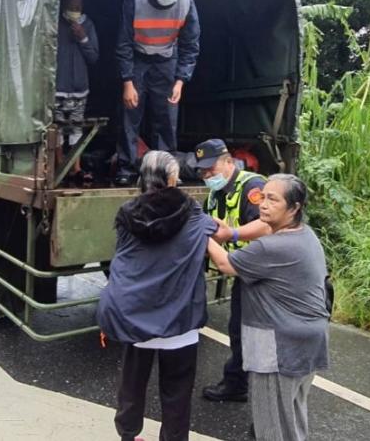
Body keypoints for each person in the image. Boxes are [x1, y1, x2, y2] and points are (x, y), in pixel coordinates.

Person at [97, 150, 218, 441]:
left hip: (136, 318)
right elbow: (216, 234)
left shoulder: (128, 214)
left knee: (132, 384)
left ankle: (128, 435)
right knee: (177, 391)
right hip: (180, 321)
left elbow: (123, 266)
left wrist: (110, 314)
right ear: (173, 179)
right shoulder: (194, 213)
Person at [206, 174, 330, 441]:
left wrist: (202, 233)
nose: (263, 204)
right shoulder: (303, 234)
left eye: (273, 199)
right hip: (306, 341)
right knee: (291, 417)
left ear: (294, 208)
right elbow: (264, 227)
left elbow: (226, 264)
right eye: (263, 197)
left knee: (271, 425)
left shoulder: (272, 248)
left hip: (279, 348)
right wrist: (232, 232)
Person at [193, 139, 270, 403]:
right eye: (202, 171)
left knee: (260, 337)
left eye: (210, 169)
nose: (206, 175)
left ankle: (267, 405)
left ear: (228, 162)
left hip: (265, 273)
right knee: (239, 329)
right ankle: (237, 384)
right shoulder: (217, 192)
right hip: (244, 270)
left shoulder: (252, 186)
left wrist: (232, 234)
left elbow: (267, 224)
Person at [113, 0, 201, 186]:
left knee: (166, 117)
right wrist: (128, 81)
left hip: (166, 61)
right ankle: (126, 168)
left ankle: (166, 171)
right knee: (130, 115)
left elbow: (191, 45)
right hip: (138, 59)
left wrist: (180, 81)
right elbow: (123, 42)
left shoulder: (186, 2)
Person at [55, 0, 99, 180]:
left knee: (76, 128)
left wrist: (83, 38)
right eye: (71, 6)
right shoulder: (55, 24)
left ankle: (76, 169)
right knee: (56, 129)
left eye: (78, 6)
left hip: (80, 89)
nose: (75, 9)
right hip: (57, 88)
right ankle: (58, 167)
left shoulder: (87, 25)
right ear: (64, 5)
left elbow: (94, 57)